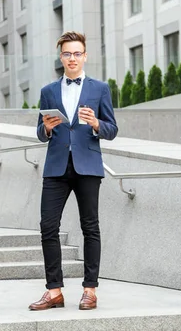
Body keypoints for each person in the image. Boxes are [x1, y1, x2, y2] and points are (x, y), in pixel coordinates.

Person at [28, 31, 118, 311]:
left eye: (77, 53)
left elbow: (112, 130)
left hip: (88, 165)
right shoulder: (48, 91)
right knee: (47, 227)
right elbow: (40, 133)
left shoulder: (100, 88)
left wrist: (95, 124)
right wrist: (48, 128)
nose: (72, 58)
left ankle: (90, 290)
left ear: (85, 56)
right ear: (61, 57)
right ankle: (54, 291)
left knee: (90, 227)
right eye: (67, 53)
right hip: (56, 166)